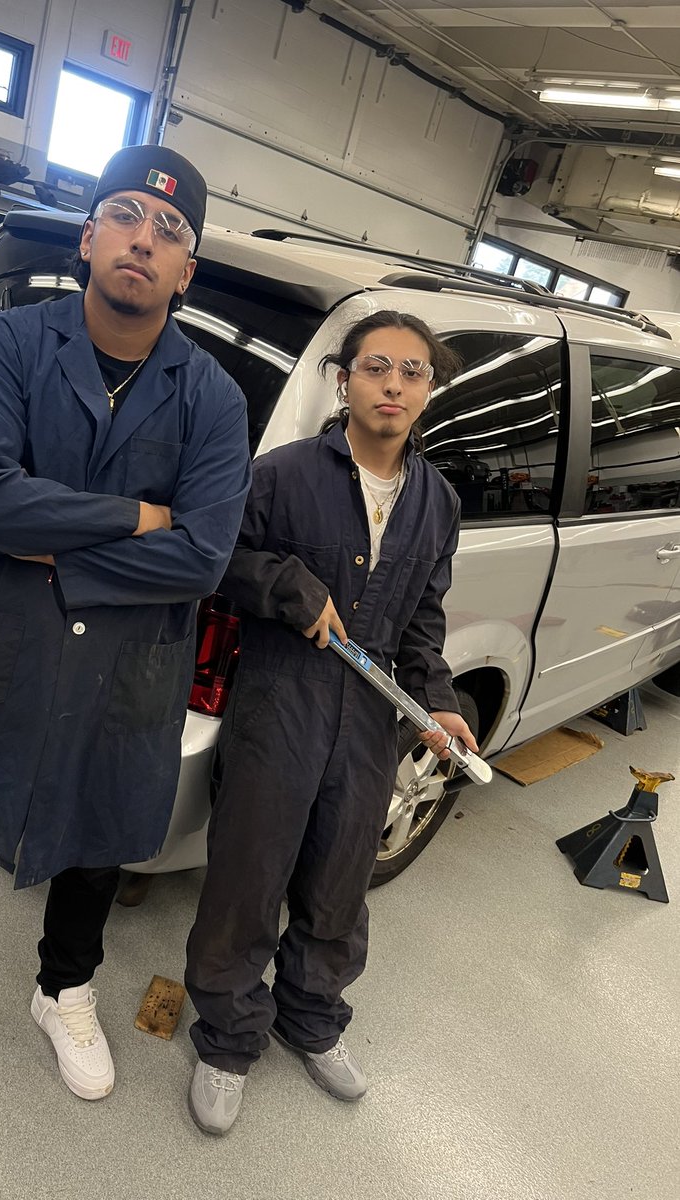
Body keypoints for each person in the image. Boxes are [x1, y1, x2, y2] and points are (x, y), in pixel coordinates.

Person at [0, 145, 252, 1105]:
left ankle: (64, 990)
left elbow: (202, 558)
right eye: (125, 215)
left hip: (129, 660)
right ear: (88, 237)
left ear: (186, 272)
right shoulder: (7, 346)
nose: (143, 239)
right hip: (3, 636)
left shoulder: (213, 399)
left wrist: (63, 552)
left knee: (96, 835)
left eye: (169, 231)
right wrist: (137, 517)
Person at [183, 309, 479, 1135]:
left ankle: (311, 1018)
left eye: (412, 371)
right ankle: (227, 1038)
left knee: (341, 878)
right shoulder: (281, 475)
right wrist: (285, 586)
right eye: (376, 366)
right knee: (250, 872)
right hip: (281, 697)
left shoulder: (438, 502)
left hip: (372, 711)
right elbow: (217, 556)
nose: (393, 384)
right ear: (345, 380)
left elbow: (422, 619)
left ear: (429, 390)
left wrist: (440, 700)